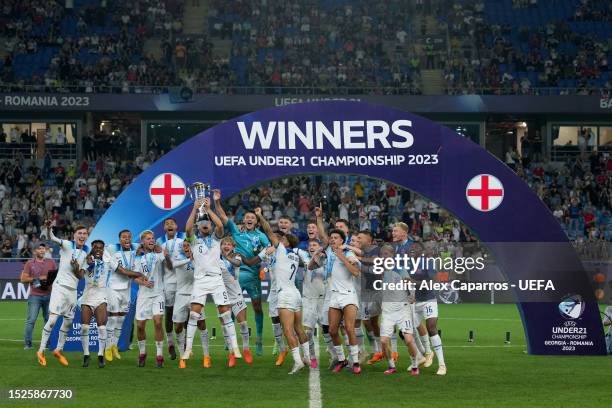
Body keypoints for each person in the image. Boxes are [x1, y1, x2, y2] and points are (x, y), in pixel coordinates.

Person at [179, 197, 240, 369]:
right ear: (198, 227)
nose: (206, 224)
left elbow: (221, 225)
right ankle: (188, 349)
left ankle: (235, 347)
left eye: (208, 222)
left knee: (225, 313)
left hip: (216, 279)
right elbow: (187, 228)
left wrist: (209, 208)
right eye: (202, 223)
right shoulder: (194, 241)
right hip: (200, 281)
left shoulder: (216, 239)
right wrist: (194, 208)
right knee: (194, 315)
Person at [253, 207, 310, 374]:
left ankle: (298, 361)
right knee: (299, 328)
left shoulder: (282, 250)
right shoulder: (294, 255)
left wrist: (260, 216)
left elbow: (269, 231)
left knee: (287, 330)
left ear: (285, 243)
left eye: (281, 240)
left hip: (284, 294)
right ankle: (307, 357)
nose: (276, 241)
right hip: (296, 294)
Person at [214, 189, 270, 356]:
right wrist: (217, 202)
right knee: (231, 308)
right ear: (243, 221)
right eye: (247, 218)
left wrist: (260, 261)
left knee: (257, 308)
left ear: (256, 221)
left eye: (252, 218)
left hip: (253, 277)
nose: (249, 219)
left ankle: (258, 340)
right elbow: (224, 218)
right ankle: (229, 341)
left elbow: (268, 249)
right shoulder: (237, 233)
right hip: (236, 275)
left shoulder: (260, 236)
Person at [315, 206, 362, 374]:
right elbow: (321, 235)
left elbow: (356, 272)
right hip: (334, 296)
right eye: (331, 237)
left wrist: (343, 257)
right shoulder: (328, 251)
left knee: (349, 328)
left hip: (348, 296)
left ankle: (355, 362)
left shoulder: (348, 253)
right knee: (333, 330)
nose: (333, 239)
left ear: (343, 240)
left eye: (336, 237)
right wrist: (319, 218)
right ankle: (342, 360)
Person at [37, 220, 89, 367]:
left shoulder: (86, 252)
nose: (82, 235)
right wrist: (48, 228)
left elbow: (80, 276)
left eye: (84, 233)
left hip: (72, 291)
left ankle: (58, 350)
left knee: (68, 322)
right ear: (74, 235)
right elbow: (51, 237)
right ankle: (41, 351)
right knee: (53, 320)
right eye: (79, 233)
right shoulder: (67, 244)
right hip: (60, 288)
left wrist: (77, 267)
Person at [377, 244, 420, 375]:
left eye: (387, 254)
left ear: (392, 256)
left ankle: (414, 366)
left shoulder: (399, 269)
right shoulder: (380, 270)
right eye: (382, 255)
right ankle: (391, 366)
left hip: (402, 310)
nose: (384, 257)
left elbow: (410, 283)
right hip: (388, 311)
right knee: (383, 341)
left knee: (408, 340)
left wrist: (412, 296)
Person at [104, 230, 142, 361]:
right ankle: (107, 348)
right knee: (113, 319)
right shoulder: (111, 249)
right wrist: (140, 275)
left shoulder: (135, 247)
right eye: (124, 237)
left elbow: (148, 243)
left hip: (126, 289)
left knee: (120, 320)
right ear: (119, 239)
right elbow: (122, 271)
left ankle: (114, 346)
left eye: (129, 237)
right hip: (113, 288)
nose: (127, 239)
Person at [410, 241, 447, 375]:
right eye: (411, 248)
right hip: (414, 301)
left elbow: (433, 281)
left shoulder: (427, 262)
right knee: (409, 329)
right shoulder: (408, 264)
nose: (412, 250)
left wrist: (415, 283)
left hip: (428, 300)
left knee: (431, 327)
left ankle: (442, 364)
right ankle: (424, 353)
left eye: (416, 248)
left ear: (421, 251)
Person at [133, 230, 169, 368]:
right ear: (142, 241)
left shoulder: (159, 254)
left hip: (158, 293)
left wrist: (159, 247)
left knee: (158, 322)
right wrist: (143, 282)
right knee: (140, 325)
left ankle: (159, 355)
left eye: (152, 238)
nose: (151, 240)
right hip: (143, 295)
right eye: (148, 238)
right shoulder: (137, 258)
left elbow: (166, 256)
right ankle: (142, 353)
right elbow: (134, 277)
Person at [171, 240, 210, 367]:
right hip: (181, 295)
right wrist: (189, 259)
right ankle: (183, 356)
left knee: (201, 324)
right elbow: (173, 265)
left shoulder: (199, 258)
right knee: (177, 326)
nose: (186, 247)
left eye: (188, 245)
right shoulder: (178, 257)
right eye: (184, 246)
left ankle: (206, 356)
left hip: (196, 294)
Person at [219, 236, 253, 364]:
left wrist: (227, 257)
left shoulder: (236, 255)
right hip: (222, 296)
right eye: (224, 244)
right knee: (224, 327)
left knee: (243, 323)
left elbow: (238, 264)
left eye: (229, 244)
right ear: (221, 246)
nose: (226, 246)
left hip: (236, 294)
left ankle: (246, 350)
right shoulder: (216, 258)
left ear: (233, 247)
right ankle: (231, 354)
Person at [156, 218, 185, 360]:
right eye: (167, 224)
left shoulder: (183, 240)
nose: (169, 225)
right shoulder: (160, 243)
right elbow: (165, 266)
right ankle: (170, 343)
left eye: (172, 223)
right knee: (169, 312)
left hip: (183, 282)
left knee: (184, 312)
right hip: (168, 283)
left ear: (176, 226)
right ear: (164, 228)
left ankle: (183, 343)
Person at [79, 240, 110, 368]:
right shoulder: (87, 260)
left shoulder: (108, 261)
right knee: (85, 327)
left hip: (101, 296)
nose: (98, 249)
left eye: (100, 248)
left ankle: (100, 354)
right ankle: (86, 355)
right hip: (87, 295)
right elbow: (80, 276)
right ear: (92, 248)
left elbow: (121, 269)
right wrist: (86, 264)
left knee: (102, 327)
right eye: (95, 247)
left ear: (104, 249)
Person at [21, 243, 56, 350]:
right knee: (31, 320)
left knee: (49, 320)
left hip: (49, 295)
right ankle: (28, 344)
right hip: (35, 296)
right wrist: (39, 278)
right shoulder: (29, 263)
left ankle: (48, 344)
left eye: (43, 249)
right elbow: (23, 279)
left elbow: (56, 277)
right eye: (39, 249)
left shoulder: (51, 263)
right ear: (34, 251)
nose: (42, 250)